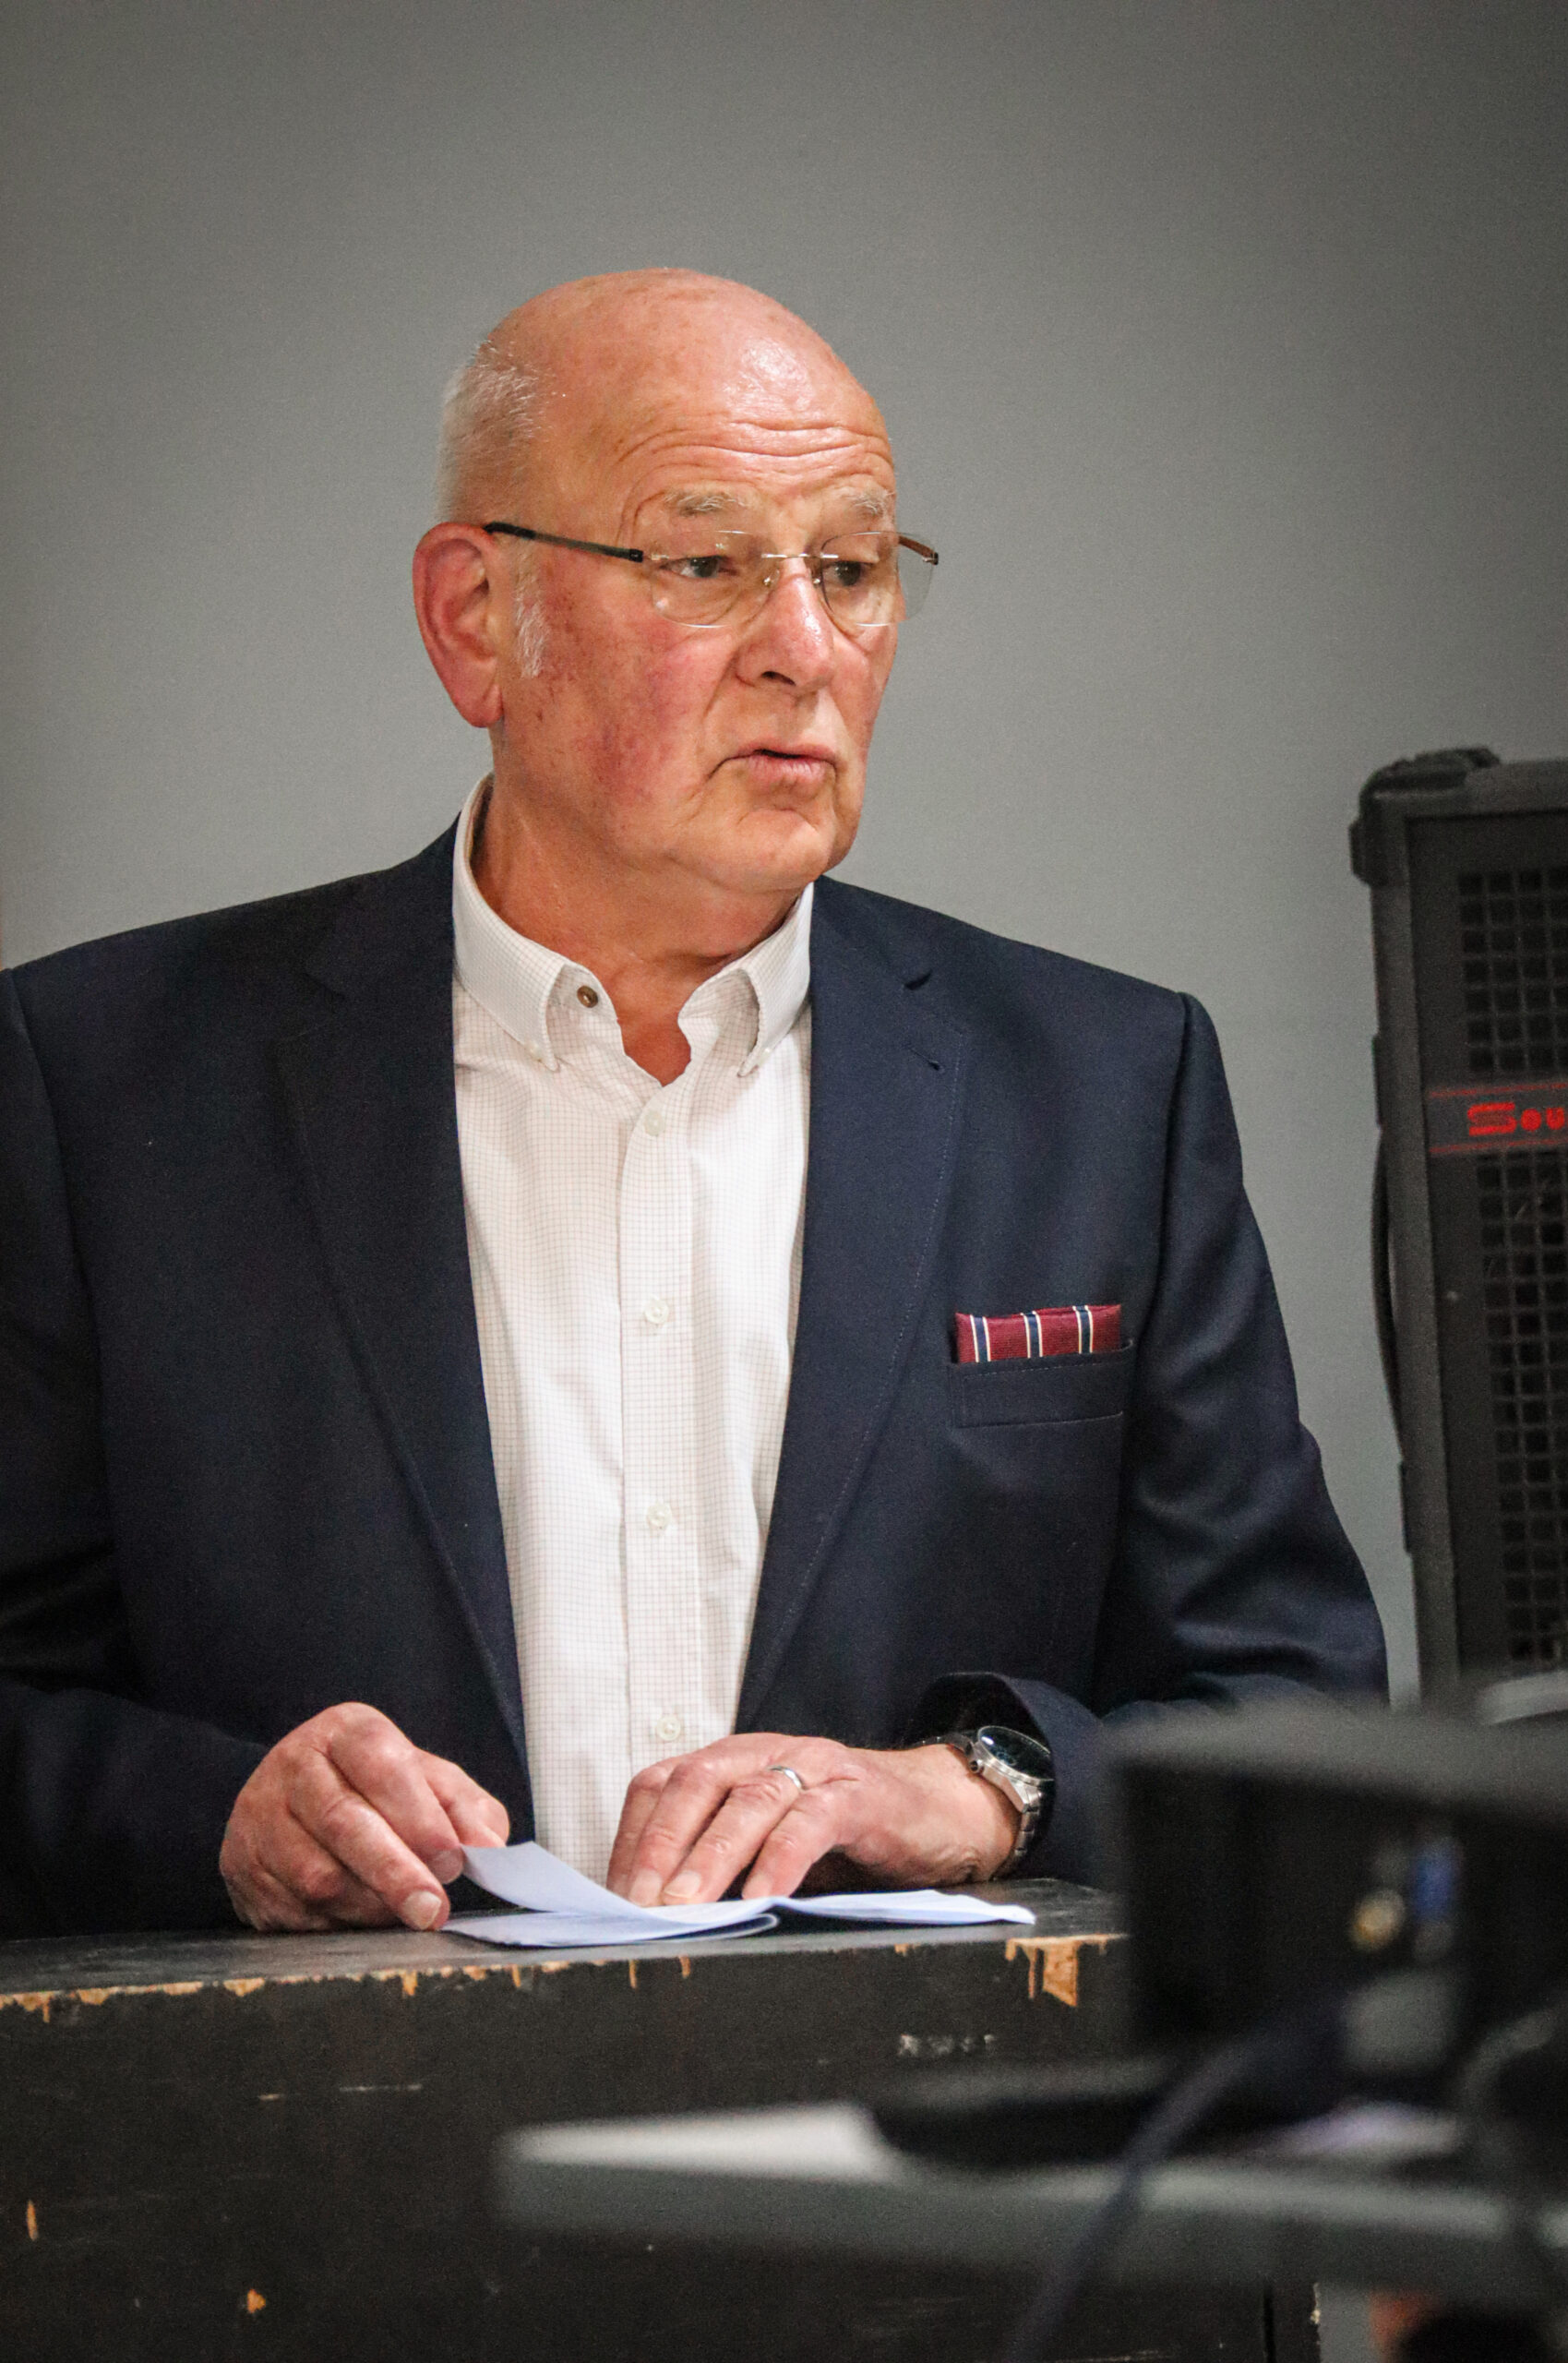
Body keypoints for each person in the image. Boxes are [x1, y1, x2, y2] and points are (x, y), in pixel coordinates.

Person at [0, 270, 1384, 1938]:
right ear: (475, 620)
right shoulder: (101, 1086)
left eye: (852, 570)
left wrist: (982, 1792)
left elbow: (1300, 1711)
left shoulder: (1102, 1093)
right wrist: (211, 1818)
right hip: (331, 2095)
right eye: (707, 564)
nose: (805, 650)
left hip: (921, 2102)